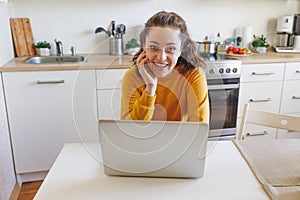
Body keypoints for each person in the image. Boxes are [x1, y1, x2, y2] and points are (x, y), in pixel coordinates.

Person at [121, 11, 209, 122]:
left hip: (182, 139)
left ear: (180, 50)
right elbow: (129, 129)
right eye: (153, 47)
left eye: (171, 49)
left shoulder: (193, 76)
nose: (161, 57)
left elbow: (198, 130)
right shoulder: (132, 76)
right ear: (144, 46)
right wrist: (150, 89)